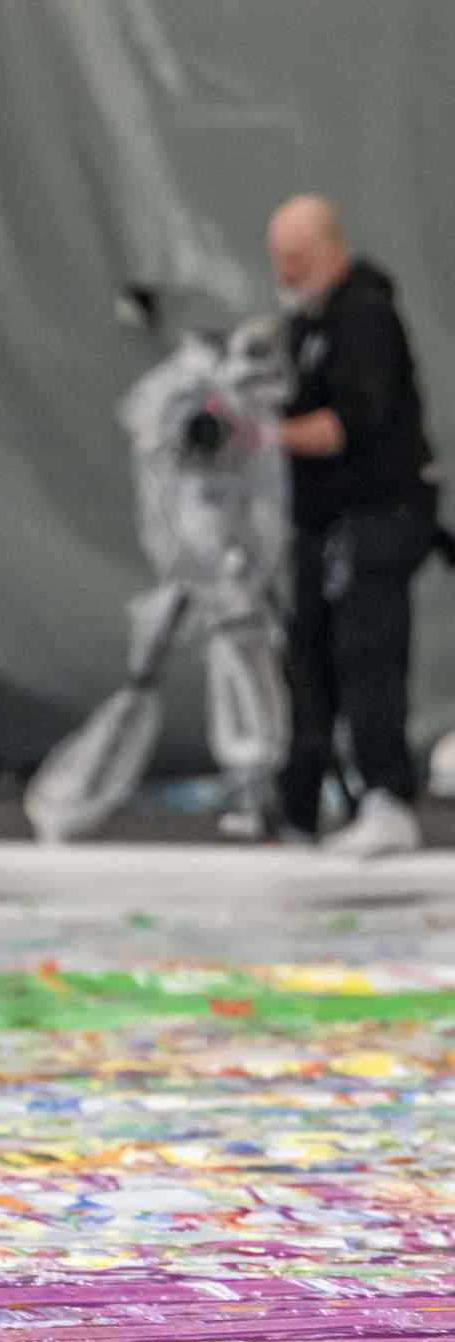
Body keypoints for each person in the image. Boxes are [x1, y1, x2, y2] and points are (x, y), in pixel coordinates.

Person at [266, 195, 440, 857]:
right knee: (307, 656)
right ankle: (300, 805)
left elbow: (351, 422)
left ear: (330, 251)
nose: (285, 273)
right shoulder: (303, 326)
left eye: (297, 260)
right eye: (279, 261)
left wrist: (262, 435)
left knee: (368, 655)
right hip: (322, 525)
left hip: (377, 519)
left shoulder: (363, 315)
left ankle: (388, 797)